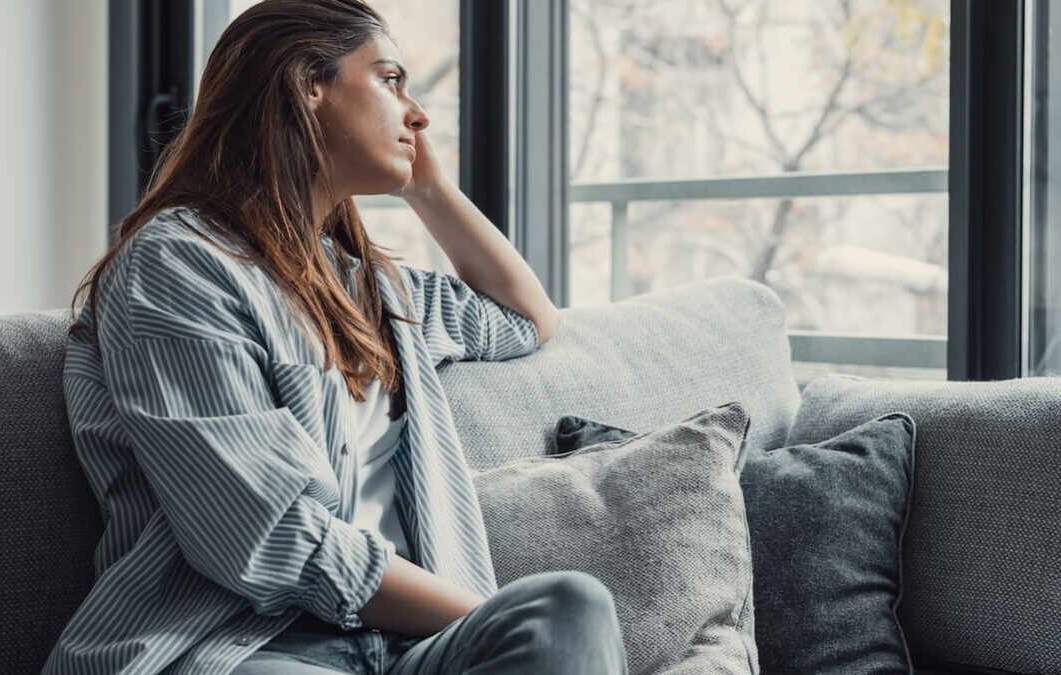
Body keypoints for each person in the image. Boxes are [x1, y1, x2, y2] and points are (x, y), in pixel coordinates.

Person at [42, 1, 628, 673]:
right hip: (243, 646)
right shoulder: (178, 265)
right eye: (390, 80)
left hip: (403, 650)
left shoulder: (371, 288)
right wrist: (478, 619)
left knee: (570, 607)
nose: (418, 114)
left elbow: (528, 317)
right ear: (307, 84)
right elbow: (269, 536)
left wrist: (429, 189)